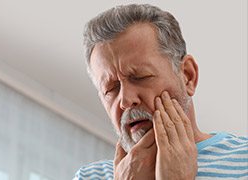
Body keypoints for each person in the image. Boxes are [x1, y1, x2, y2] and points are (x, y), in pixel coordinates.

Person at [74, 3, 248, 180]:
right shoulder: (89, 177)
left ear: (188, 76)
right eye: (111, 89)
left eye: (140, 77)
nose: (126, 100)